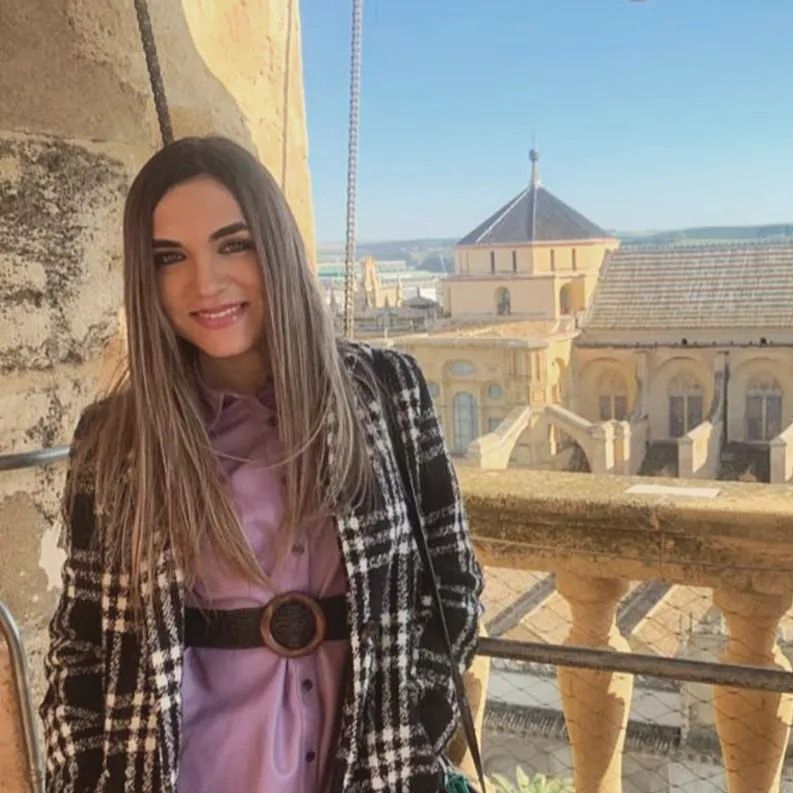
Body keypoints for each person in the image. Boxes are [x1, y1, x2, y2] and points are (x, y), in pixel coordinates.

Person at [40, 136, 483, 793]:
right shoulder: (116, 440)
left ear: (274, 244)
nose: (205, 283)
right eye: (170, 257)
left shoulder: (387, 392)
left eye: (234, 244)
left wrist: (412, 732)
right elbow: (80, 644)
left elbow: (449, 580)